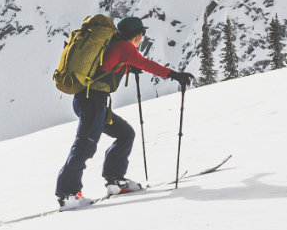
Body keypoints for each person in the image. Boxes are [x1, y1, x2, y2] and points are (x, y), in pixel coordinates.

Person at [56, 14, 193, 208]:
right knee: (84, 145)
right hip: (93, 101)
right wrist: (174, 75)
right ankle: (67, 193)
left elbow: (106, 67)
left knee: (125, 133)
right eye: (142, 33)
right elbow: (146, 63)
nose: (142, 37)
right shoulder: (125, 47)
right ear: (136, 35)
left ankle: (115, 181)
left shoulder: (114, 43)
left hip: (89, 100)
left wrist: (127, 68)